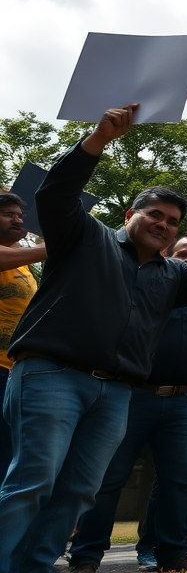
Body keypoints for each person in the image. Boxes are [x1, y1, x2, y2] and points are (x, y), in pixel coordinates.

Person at [0, 104, 187, 573]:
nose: (164, 225)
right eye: (155, 215)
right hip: (52, 375)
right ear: (130, 214)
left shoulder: (172, 274)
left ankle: (32, 565)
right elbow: (55, 193)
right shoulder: (85, 236)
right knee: (34, 480)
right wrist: (98, 139)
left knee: (80, 489)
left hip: (116, 393)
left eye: (172, 222)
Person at [66, 235, 187, 573]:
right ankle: (86, 555)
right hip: (131, 395)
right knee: (110, 478)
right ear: (167, 256)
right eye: (182, 252)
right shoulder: (145, 285)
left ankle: (172, 554)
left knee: (178, 482)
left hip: (183, 403)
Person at [0, 192, 44, 474]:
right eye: (8, 214)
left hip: (13, 372)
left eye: (19, 215)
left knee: (8, 453)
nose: (18, 220)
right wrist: (55, 244)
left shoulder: (23, 265)